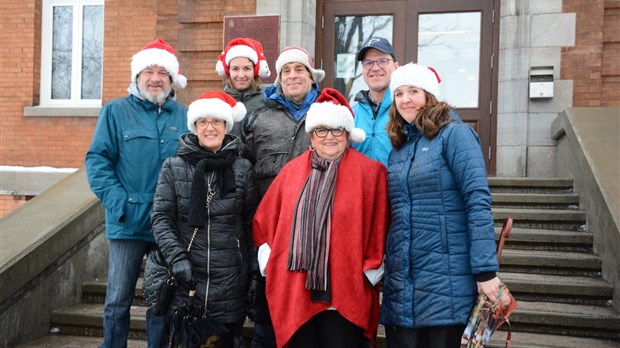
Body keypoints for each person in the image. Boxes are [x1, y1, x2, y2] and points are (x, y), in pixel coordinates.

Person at [252, 88, 390, 348]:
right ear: (311, 136)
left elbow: (380, 226)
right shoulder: (291, 172)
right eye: (321, 130)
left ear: (347, 134)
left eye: (337, 130)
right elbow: (265, 221)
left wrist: (368, 273)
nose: (329, 137)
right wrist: (271, 264)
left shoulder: (370, 174)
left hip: (346, 288)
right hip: (296, 288)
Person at [380, 63, 501, 348]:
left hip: (447, 281)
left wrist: (485, 270)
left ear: (430, 95)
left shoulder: (455, 135)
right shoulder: (399, 149)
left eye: (413, 91)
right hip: (404, 282)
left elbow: (477, 201)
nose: (405, 99)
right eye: (398, 93)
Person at [85, 38, 188, 348]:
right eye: (148, 71)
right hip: (127, 221)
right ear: (137, 77)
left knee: (161, 300)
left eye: (162, 72)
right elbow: (97, 161)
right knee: (117, 299)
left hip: (168, 226)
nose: (154, 78)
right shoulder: (115, 112)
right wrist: (119, 204)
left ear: (172, 79)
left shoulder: (185, 116)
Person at [151, 91, 259, 348]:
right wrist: (176, 259)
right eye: (203, 122)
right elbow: (161, 218)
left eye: (217, 121)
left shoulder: (242, 169)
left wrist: (254, 273)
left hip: (230, 284)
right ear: (195, 127)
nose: (210, 127)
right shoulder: (173, 166)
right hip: (186, 282)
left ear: (226, 126)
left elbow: (252, 225)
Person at [242, 46, 325, 348]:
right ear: (278, 79)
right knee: (267, 316)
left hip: (316, 232)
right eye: (286, 71)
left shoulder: (326, 113)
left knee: (309, 315)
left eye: (299, 70)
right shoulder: (259, 119)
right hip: (270, 233)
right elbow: (245, 171)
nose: (292, 76)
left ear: (311, 76)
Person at [351, 37, 399, 167]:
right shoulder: (352, 115)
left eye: (382, 61)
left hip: (396, 186)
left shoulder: (406, 110)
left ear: (395, 67)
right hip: (361, 186)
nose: (375, 68)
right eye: (368, 63)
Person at [216, 37, 271, 136]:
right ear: (228, 71)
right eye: (235, 69)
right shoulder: (218, 102)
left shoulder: (267, 103)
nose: (241, 75)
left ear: (255, 70)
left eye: (247, 68)